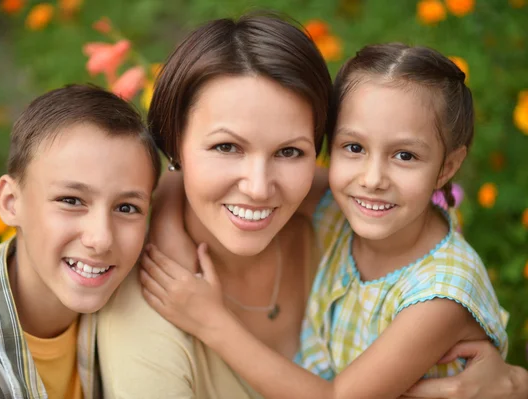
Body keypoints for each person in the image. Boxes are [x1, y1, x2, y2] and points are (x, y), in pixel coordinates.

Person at [98, 14, 528, 399]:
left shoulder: (428, 283)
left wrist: (212, 321)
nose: (259, 187)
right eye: (355, 148)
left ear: (447, 167)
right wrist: (173, 241)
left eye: (289, 152)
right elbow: (179, 180)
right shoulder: (345, 206)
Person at [0, 84, 160, 398]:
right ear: (11, 202)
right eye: (72, 200)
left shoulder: (138, 282)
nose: (101, 238)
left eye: (126, 208)